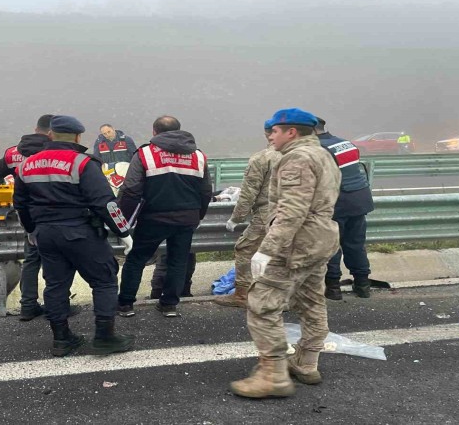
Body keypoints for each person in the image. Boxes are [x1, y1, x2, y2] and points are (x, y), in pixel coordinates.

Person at [229, 108, 340, 399]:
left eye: (275, 131)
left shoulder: (296, 159)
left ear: (291, 132)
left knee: (262, 304)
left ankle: (273, 374)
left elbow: (291, 212)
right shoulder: (323, 155)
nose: (270, 136)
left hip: (295, 245)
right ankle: (306, 362)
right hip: (320, 240)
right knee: (312, 300)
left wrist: (266, 251)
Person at [13, 115, 135, 357]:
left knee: (56, 285)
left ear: (50, 135)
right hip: (80, 232)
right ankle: (104, 337)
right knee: (104, 280)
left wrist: (30, 230)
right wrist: (124, 232)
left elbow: (21, 205)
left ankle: (62, 338)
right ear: (78, 137)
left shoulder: (26, 165)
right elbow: (105, 204)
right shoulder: (82, 163)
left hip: (45, 234)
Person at [117, 116, 212, 318]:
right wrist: (198, 215)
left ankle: (126, 304)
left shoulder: (145, 154)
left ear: (154, 132)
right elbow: (206, 191)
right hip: (187, 218)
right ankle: (169, 305)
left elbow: (131, 190)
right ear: (179, 130)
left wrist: (124, 221)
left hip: (153, 218)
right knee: (178, 261)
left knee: (136, 259)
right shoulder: (199, 156)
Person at [0, 114, 52, 321]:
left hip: (25, 211)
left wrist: (13, 182)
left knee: (32, 258)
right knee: (57, 259)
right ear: (52, 132)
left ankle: (28, 305)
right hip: (53, 209)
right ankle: (57, 304)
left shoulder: (12, 152)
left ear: (36, 128)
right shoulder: (54, 151)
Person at [214, 127, 281, 308]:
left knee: (245, 249)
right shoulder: (302, 156)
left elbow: (249, 192)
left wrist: (236, 218)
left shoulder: (262, 158)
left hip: (267, 212)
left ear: (268, 134)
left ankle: (242, 294)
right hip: (296, 212)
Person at [315, 117, 374, 300]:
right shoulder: (344, 143)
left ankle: (333, 288)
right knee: (355, 244)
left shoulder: (318, 149)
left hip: (337, 202)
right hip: (359, 199)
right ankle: (363, 285)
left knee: (331, 246)